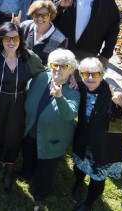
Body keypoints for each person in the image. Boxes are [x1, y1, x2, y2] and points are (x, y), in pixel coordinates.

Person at [0, 22, 45, 191]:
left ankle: (8, 170)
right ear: (1, 39)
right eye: (7, 38)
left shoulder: (29, 57)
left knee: (12, 136)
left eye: (15, 38)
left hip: (17, 104)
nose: (11, 42)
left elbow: (45, 74)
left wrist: (68, 77)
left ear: (20, 39)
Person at [71, 58, 122, 211]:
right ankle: (78, 184)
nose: (90, 78)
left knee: (97, 178)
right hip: (83, 141)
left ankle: (88, 204)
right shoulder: (81, 88)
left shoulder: (114, 95)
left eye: (95, 74)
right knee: (78, 167)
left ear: (102, 74)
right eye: (86, 74)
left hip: (103, 147)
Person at [20, 49, 80, 201]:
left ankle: (41, 190)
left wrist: (59, 97)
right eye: (55, 65)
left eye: (64, 66)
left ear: (71, 69)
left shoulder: (73, 90)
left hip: (53, 138)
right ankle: (26, 172)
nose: (58, 69)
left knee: (46, 168)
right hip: (31, 129)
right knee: (29, 154)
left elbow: (70, 114)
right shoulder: (41, 77)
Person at [49, 0, 120, 66]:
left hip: (88, 54)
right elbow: (43, 19)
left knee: (83, 81)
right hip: (62, 52)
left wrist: (106, 55)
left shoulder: (105, 1)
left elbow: (113, 29)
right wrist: (59, 6)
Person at [15, 0, 68, 65]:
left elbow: (56, 65)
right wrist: (13, 30)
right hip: (19, 69)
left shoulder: (60, 39)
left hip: (42, 74)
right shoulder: (24, 26)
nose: (40, 18)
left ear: (50, 16)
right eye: (36, 15)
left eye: (44, 15)